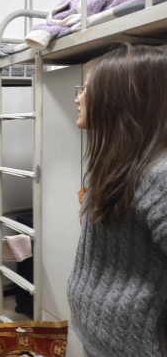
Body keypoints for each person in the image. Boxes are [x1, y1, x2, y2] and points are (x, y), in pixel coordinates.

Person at [67, 43, 167, 356]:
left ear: (120, 97)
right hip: (100, 341)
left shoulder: (160, 176)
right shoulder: (124, 164)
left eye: (86, 89)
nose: (78, 98)